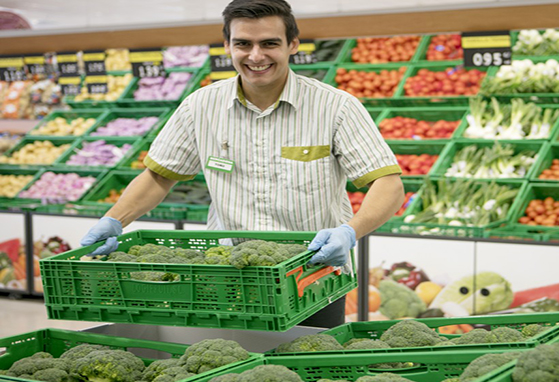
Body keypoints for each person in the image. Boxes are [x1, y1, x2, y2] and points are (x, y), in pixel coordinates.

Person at [80, 0, 404, 328]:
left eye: (269, 43)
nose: (256, 56)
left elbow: (389, 185)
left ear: (292, 44)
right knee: (232, 372)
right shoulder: (200, 106)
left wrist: (350, 232)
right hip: (228, 276)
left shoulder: (336, 107)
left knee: (309, 372)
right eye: (243, 44)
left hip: (312, 277)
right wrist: (114, 220)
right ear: (227, 46)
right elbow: (159, 176)